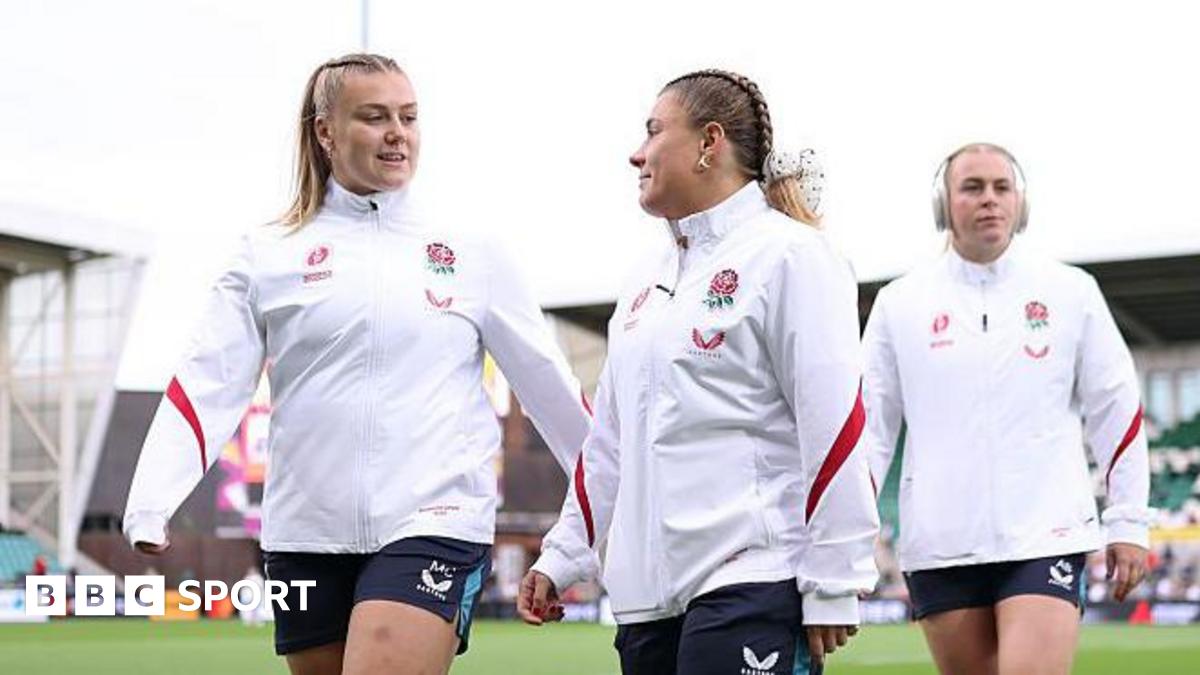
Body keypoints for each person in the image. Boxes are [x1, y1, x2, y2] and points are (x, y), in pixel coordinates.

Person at [123, 53, 591, 675]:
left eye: (409, 117)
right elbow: (208, 381)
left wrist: (610, 509)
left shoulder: (473, 252)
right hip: (303, 534)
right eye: (374, 118)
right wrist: (151, 501)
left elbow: (551, 389)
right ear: (326, 131)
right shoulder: (267, 253)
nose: (397, 133)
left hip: (436, 520)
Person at [517, 69, 879, 674]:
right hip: (646, 601)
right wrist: (563, 554)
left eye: (654, 131)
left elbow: (836, 423)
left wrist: (836, 576)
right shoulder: (643, 281)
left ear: (710, 142)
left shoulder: (791, 255)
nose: (636, 153)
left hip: (754, 577)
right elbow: (609, 443)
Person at [861, 143, 1151, 675]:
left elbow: (1117, 409)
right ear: (943, 204)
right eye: (972, 187)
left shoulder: (1072, 291)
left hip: (1047, 532)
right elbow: (870, 432)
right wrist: (849, 538)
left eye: (1002, 187)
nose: (989, 199)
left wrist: (1128, 520)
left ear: (1022, 201)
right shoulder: (899, 303)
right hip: (941, 542)